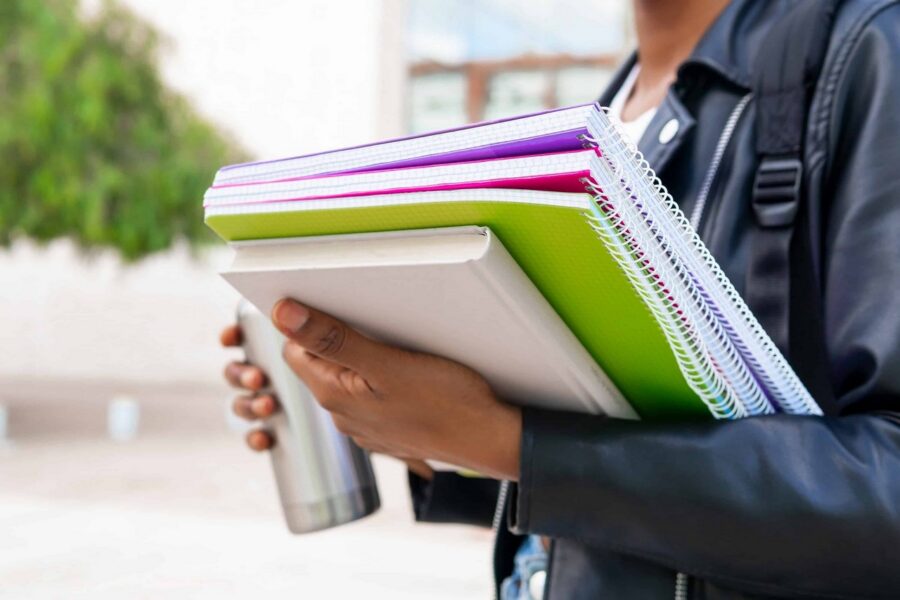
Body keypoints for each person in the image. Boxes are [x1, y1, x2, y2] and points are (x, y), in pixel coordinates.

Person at [220, 0, 900, 597]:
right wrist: (419, 428)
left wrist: (516, 444)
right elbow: (617, 471)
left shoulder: (867, 50)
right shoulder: (601, 121)